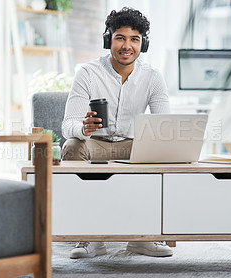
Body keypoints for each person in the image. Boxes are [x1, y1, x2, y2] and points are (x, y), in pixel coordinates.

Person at [61, 7, 172, 259]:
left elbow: (165, 125)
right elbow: (68, 124)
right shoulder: (88, 73)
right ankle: (89, 237)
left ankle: (143, 237)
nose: (127, 45)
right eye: (120, 37)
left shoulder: (153, 77)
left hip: (133, 145)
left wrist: (167, 138)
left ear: (143, 44)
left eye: (135, 39)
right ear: (108, 39)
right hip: (95, 143)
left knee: (165, 151)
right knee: (71, 145)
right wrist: (83, 128)